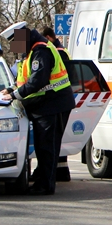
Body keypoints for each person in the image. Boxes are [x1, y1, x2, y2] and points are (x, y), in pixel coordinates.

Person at [0, 22, 75, 195]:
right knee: (44, 147)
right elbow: (25, 79)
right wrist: (11, 89)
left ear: (23, 38)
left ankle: (45, 186)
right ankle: (42, 180)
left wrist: (14, 95)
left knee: (47, 147)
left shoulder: (41, 51)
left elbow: (38, 81)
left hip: (52, 104)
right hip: (46, 104)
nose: (14, 47)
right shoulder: (32, 51)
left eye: (14, 42)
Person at [42, 26, 72, 182]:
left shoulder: (57, 52)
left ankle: (58, 172)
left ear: (48, 37)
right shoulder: (61, 51)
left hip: (57, 99)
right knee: (57, 138)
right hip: (61, 98)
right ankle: (61, 171)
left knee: (54, 139)